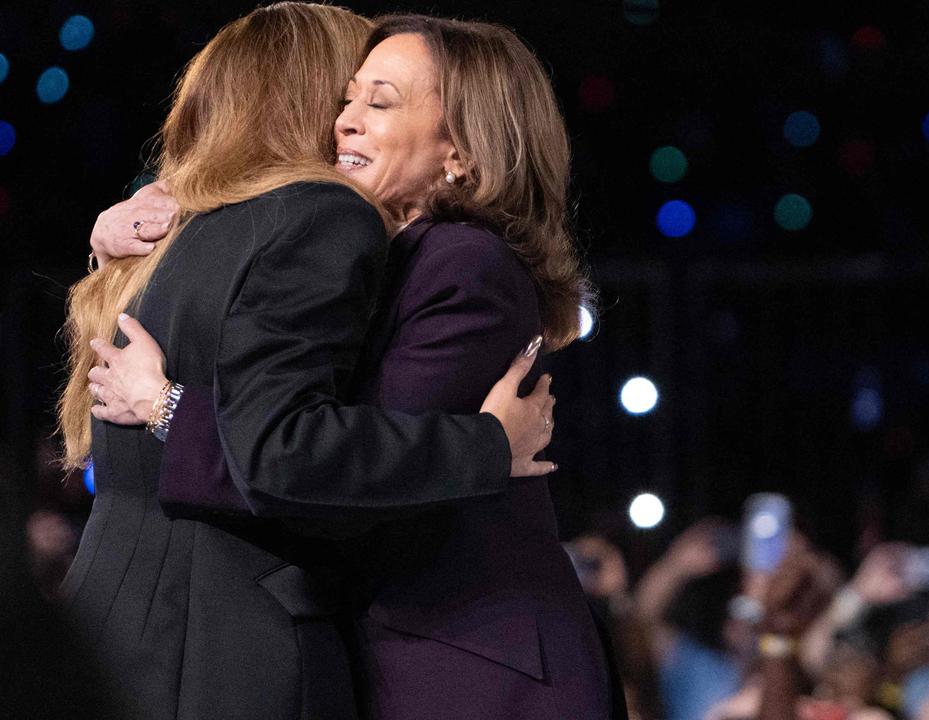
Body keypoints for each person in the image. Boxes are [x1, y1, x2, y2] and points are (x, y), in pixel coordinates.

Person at [85, 12, 619, 719]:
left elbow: (340, 486)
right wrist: (153, 220)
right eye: (347, 99)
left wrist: (167, 405)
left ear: (460, 149)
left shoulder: (466, 265)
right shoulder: (375, 248)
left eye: (381, 102)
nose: (345, 121)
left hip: (467, 667)